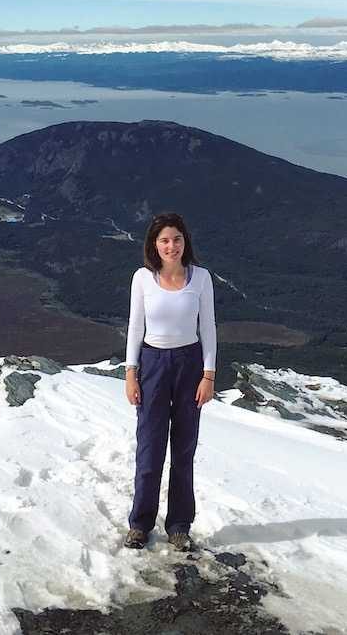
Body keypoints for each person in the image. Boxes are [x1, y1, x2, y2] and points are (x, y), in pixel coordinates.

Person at [122, 212, 217, 551]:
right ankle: (140, 524)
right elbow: (135, 327)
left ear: (185, 241)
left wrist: (208, 375)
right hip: (152, 364)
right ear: (154, 244)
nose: (171, 246)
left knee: (184, 449)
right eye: (164, 240)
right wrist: (131, 372)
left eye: (176, 239)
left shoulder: (201, 278)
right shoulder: (143, 278)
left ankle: (179, 525)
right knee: (149, 448)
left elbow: (208, 328)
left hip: (190, 364)